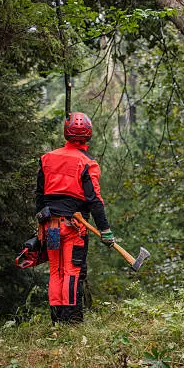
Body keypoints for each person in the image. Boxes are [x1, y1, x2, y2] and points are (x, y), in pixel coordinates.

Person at [35, 112, 114, 324]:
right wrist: (105, 230)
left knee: (55, 270)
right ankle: (71, 321)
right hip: (73, 228)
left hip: (51, 226)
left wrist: (40, 226)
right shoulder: (87, 163)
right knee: (72, 272)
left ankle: (56, 320)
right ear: (88, 134)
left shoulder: (47, 159)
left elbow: (39, 196)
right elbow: (95, 200)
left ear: (66, 132)